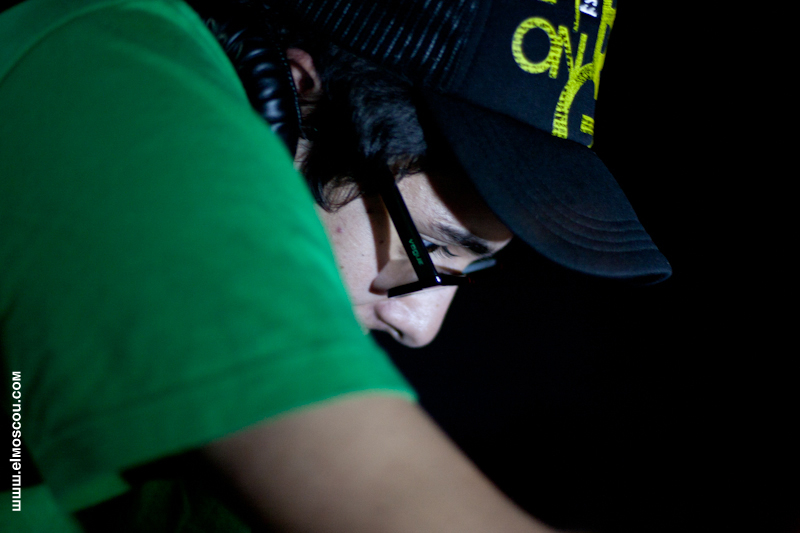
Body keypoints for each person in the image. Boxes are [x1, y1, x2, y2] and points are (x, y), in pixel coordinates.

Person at [0, 0, 670, 531]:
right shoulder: (113, 75)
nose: (421, 324)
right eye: (431, 247)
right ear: (291, 99)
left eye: (474, 270)